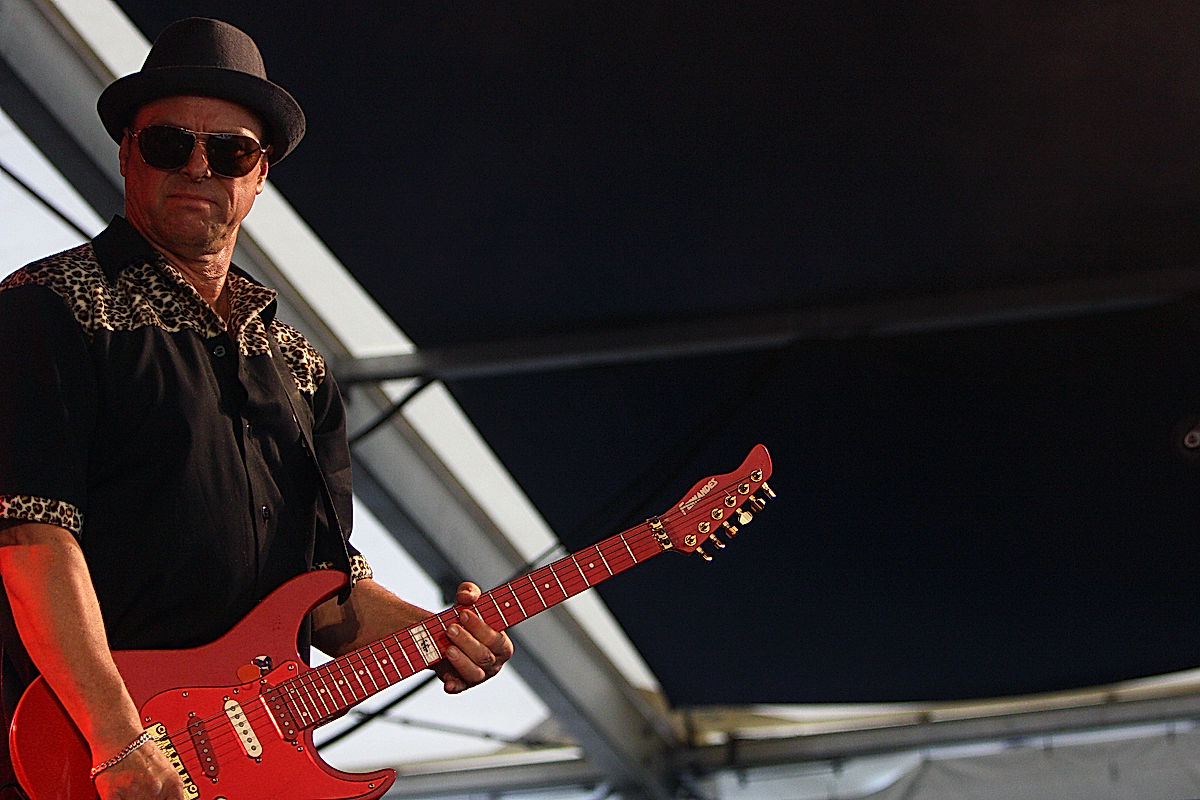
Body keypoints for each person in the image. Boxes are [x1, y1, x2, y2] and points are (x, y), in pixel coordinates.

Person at [0, 17, 513, 800]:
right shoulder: (50, 305)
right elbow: (31, 538)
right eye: (169, 143)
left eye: (230, 151)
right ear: (127, 153)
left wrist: (445, 638)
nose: (198, 165)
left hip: (247, 774)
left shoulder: (298, 367)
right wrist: (116, 738)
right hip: (80, 763)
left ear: (261, 172)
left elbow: (327, 593)